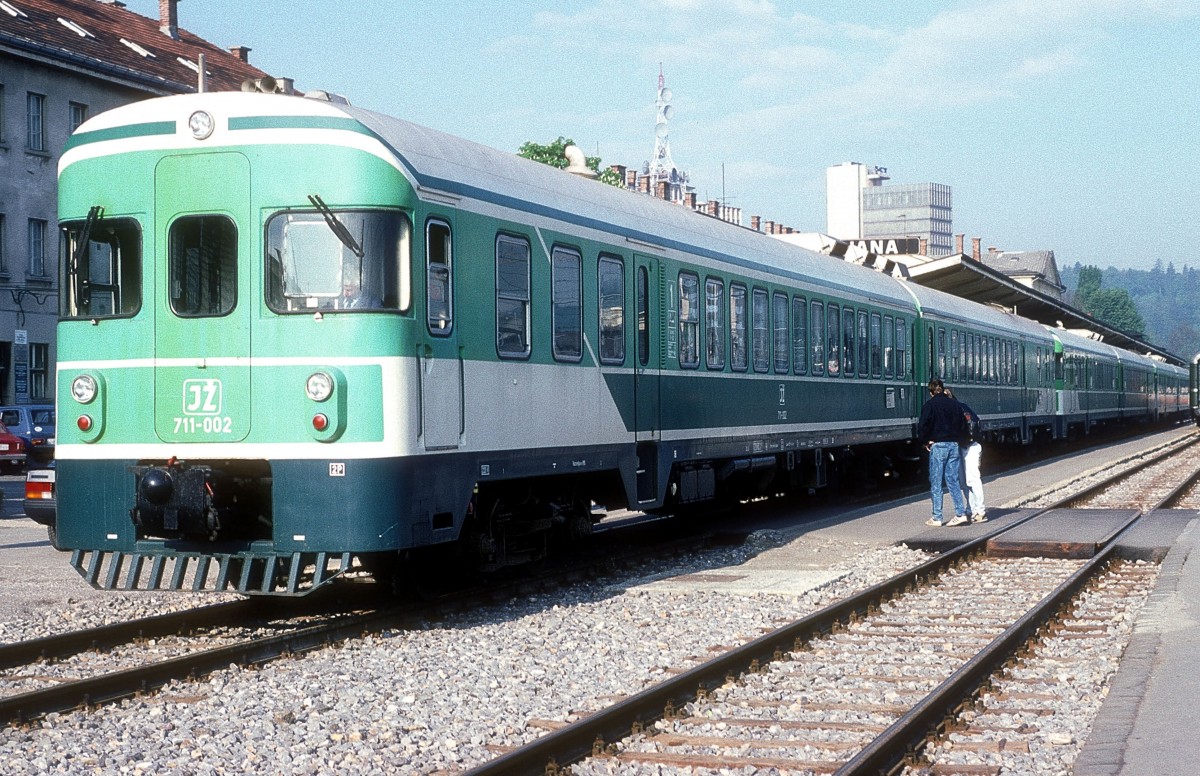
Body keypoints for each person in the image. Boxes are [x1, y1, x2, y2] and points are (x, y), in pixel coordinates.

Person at [917, 377, 968, 527]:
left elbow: (923, 426)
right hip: (954, 445)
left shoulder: (929, 405)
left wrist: (925, 441)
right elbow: (963, 424)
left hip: (938, 446)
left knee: (936, 482)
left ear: (931, 392)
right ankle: (960, 513)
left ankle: (937, 517)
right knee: (953, 480)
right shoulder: (954, 404)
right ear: (943, 389)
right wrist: (959, 440)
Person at [945, 387, 986, 523]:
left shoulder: (958, 409)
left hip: (970, 446)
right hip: (964, 446)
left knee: (971, 479)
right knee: (963, 481)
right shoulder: (961, 407)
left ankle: (980, 511)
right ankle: (972, 509)